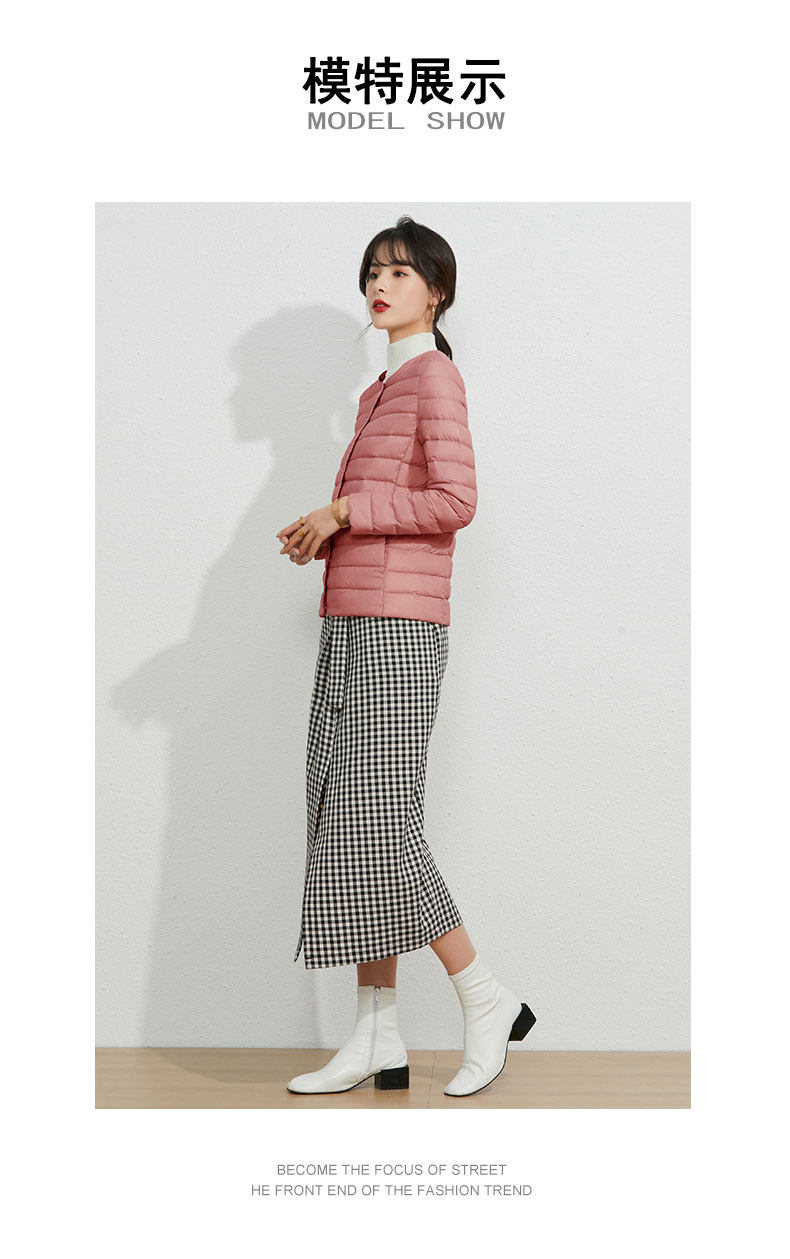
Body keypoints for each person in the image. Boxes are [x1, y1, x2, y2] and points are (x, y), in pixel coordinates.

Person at [276, 215, 536, 1098]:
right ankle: (378, 1035)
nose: (379, 286)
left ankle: (484, 994)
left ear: (437, 290)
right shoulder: (376, 393)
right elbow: (396, 502)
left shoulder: (435, 378)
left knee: (377, 821)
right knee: (347, 821)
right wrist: (329, 533)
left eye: (398, 272)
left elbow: (456, 500)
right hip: (353, 618)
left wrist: (346, 512)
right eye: (372, 273)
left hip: (400, 628)